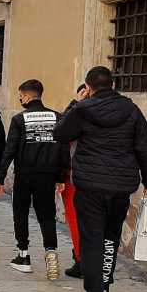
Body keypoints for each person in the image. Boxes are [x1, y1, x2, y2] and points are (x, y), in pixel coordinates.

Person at [53, 66, 147, 292]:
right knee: (110, 239)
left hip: (90, 186)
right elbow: (145, 147)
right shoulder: (131, 110)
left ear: (88, 88)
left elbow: (60, 133)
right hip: (120, 187)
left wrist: (74, 104)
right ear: (113, 85)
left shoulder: (83, 109)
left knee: (92, 242)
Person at [0, 79, 69, 280]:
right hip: (47, 175)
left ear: (27, 97)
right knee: (47, 215)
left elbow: (9, 150)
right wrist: (61, 177)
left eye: (20, 96)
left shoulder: (20, 119)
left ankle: (23, 256)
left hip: (24, 175)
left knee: (21, 212)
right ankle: (51, 253)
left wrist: (0, 177)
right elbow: (63, 150)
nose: (20, 99)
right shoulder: (57, 117)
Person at [61, 84, 88, 279]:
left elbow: (60, 131)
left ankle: (81, 261)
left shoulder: (78, 116)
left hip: (75, 176)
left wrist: (75, 104)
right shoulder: (116, 113)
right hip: (103, 177)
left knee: (75, 220)